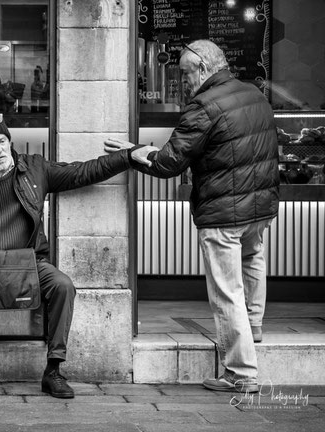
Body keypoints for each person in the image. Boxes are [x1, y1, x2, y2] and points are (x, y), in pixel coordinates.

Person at [0, 110, 156, 399]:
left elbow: (81, 171)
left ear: (10, 141)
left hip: (29, 262)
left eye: (2, 141)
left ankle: (53, 370)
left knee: (63, 285)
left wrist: (127, 157)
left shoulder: (35, 170)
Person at [105, 40, 279, 394]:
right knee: (253, 260)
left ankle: (241, 374)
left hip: (222, 211)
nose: (182, 81)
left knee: (226, 291)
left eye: (185, 73)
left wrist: (134, 153)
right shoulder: (254, 94)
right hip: (259, 206)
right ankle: (254, 327)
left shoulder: (203, 105)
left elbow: (170, 163)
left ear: (202, 68)